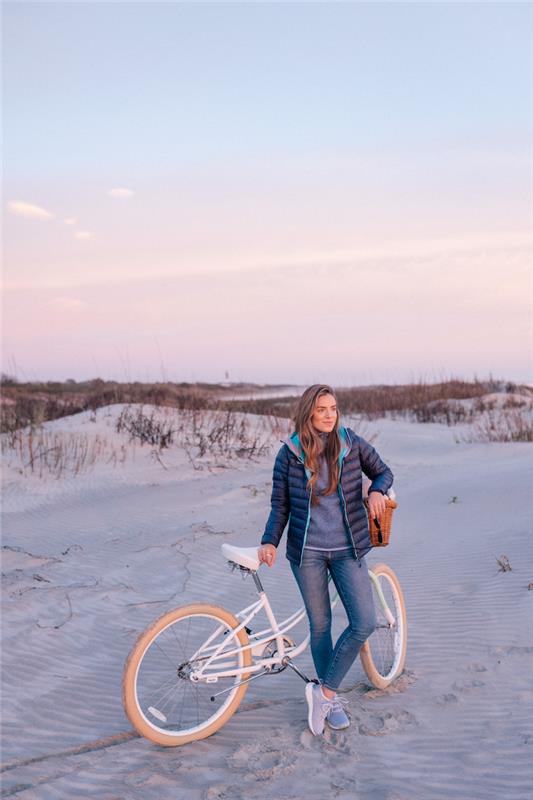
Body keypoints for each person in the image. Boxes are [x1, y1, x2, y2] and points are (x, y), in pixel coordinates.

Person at [258, 383, 393, 735]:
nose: (330, 415)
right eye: (322, 410)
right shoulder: (289, 453)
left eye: (333, 408)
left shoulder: (350, 442)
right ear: (308, 413)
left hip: (349, 549)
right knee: (321, 627)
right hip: (308, 553)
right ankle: (329, 703)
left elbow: (383, 471)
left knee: (363, 621)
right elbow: (280, 506)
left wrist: (377, 489)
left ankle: (324, 692)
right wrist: (269, 542)